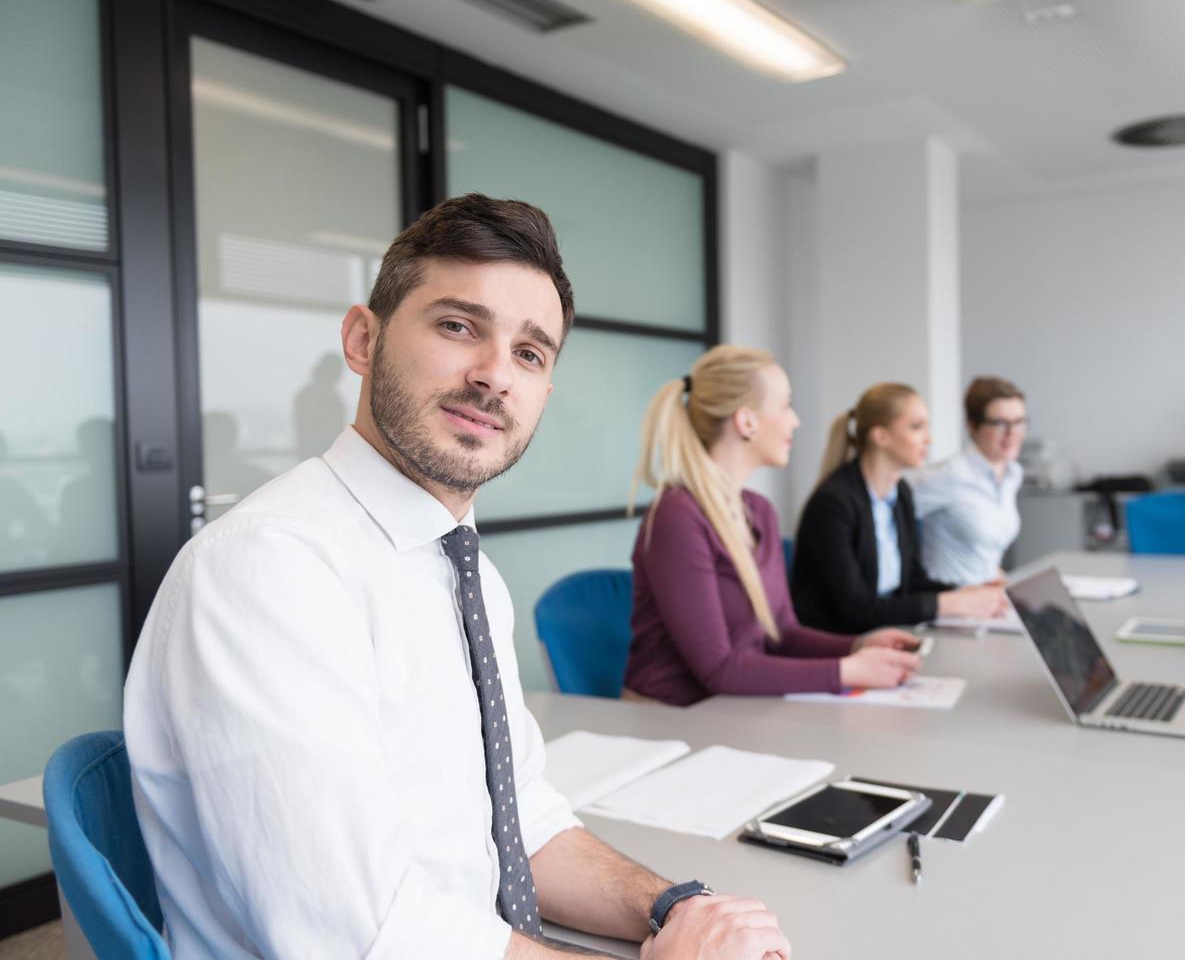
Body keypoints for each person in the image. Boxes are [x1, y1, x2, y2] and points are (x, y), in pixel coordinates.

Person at [124, 195, 791, 960]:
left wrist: (676, 911)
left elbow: (522, 824)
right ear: (362, 339)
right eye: (457, 326)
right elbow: (358, 939)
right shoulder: (270, 569)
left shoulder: (458, 566)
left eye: (530, 354)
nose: (493, 376)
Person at [622, 346, 923, 706]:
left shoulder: (760, 512)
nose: (795, 420)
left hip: (737, 711)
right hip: (675, 721)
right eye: (784, 405)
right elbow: (718, 669)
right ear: (746, 421)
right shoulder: (677, 518)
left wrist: (859, 646)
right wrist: (848, 669)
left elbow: (781, 634)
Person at [791, 383, 1009, 633]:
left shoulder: (901, 493)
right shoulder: (833, 505)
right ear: (881, 436)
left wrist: (965, 593)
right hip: (843, 642)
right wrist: (949, 603)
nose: (929, 438)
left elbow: (912, 582)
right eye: (917, 427)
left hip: (887, 631)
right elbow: (857, 611)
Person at [908, 376, 1027, 585]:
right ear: (972, 426)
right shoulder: (950, 475)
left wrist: (994, 575)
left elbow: (985, 548)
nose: (1012, 433)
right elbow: (882, 511)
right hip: (948, 599)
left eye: (1019, 422)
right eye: (1000, 423)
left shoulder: (1013, 474)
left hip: (986, 600)